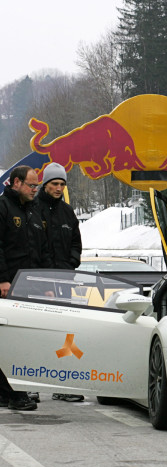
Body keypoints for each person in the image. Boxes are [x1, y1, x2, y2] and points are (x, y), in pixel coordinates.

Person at [0, 165, 53, 411]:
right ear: (17, 183)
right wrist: (2, 279)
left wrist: (47, 284)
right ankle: (15, 394)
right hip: (7, 287)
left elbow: (41, 250)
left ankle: (9, 392)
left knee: (22, 340)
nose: (35, 190)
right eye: (31, 185)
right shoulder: (3, 208)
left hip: (29, 286)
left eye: (37, 186)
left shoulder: (33, 212)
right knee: (9, 342)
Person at [37, 162, 84, 403]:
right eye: (54, 184)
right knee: (37, 332)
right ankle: (30, 384)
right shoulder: (33, 209)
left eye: (62, 184)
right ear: (45, 184)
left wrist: (71, 262)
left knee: (66, 335)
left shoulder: (68, 211)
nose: (58, 188)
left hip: (65, 280)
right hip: (37, 282)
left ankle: (64, 384)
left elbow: (76, 242)